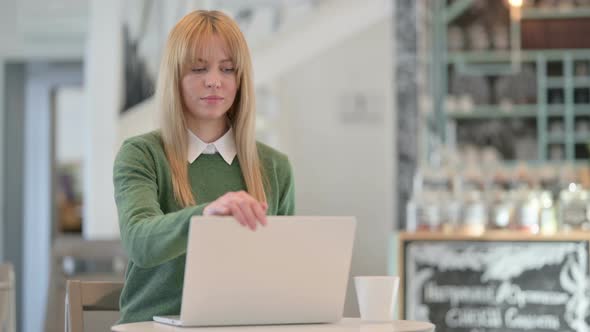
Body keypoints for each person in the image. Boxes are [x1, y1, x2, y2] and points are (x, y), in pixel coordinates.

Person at [113, 10, 295, 323]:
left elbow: (285, 267)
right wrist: (204, 216)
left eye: (227, 69)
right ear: (175, 77)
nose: (214, 81)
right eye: (198, 68)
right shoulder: (141, 154)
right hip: (152, 326)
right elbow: (139, 240)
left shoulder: (275, 167)